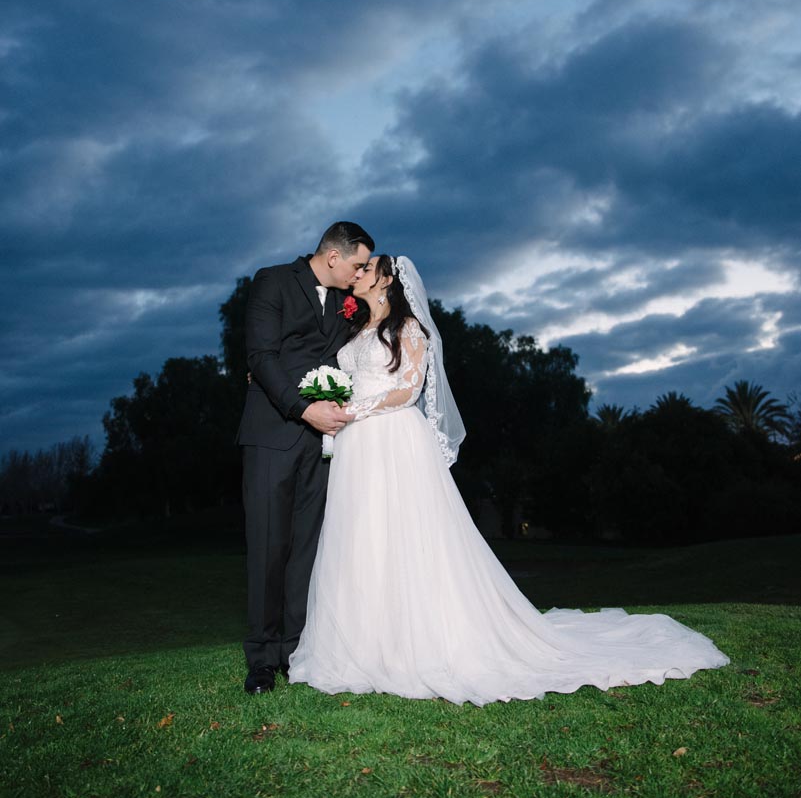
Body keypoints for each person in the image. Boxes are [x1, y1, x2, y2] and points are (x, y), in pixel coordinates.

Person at [289, 255, 729, 706]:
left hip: (393, 440)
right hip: (357, 448)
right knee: (360, 537)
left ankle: (415, 642)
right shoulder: (354, 328)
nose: (357, 273)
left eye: (367, 268)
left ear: (386, 281)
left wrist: (357, 410)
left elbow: (410, 387)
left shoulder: (410, 330)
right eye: (356, 268)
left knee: (403, 536)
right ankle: (361, 641)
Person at [237, 221, 374, 694]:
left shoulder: (347, 303)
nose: (359, 274)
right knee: (267, 546)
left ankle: (297, 651)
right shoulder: (272, 281)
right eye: (357, 264)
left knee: (307, 551)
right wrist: (302, 408)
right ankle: (261, 659)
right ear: (333, 257)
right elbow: (261, 357)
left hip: (324, 446)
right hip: (273, 435)